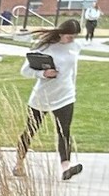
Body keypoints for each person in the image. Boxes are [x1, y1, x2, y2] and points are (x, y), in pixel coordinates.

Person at [14, 19, 84, 181]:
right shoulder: (44, 47)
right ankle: (18, 163)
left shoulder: (76, 47)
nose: (71, 40)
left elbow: (73, 71)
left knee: (64, 131)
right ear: (60, 34)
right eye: (69, 37)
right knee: (31, 129)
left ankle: (66, 167)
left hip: (65, 96)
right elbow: (25, 71)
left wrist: (72, 89)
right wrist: (43, 74)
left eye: (74, 37)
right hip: (42, 96)